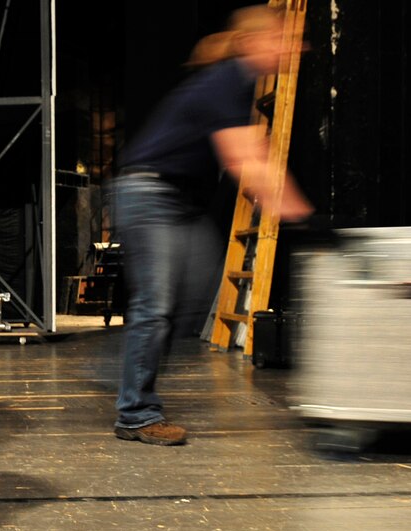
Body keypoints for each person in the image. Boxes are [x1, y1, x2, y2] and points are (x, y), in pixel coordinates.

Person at [109, 5, 313, 447]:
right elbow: (246, 163)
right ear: (253, 42)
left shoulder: (237, 87)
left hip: (180, 202)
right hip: (149, 194)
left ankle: (124, 373)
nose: (292, 49)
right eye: (282, 40)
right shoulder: (224, 81)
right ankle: (136, 414)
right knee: (156, 304)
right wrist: (304, 217)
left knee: (193, 296)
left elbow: (251, 156)